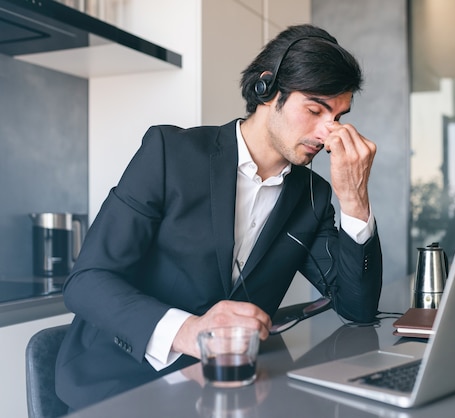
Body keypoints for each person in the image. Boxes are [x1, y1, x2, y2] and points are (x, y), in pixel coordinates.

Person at [55, 24, 383, 411]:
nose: (327, 134)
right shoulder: (169, 154)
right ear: (266, 89)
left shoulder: (312, 194)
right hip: (118, 384)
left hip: (227, 391)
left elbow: (357, 308)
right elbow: (87, 282)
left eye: (338, 116)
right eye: (314, 110)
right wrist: (189, 331)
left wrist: (355, 199)